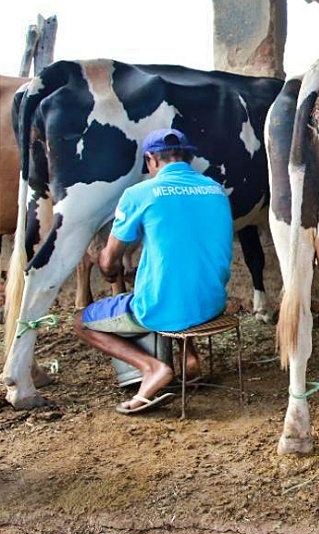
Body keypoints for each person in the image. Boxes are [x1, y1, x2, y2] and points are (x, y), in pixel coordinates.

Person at [74, 129, 234, 414]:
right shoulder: (215, 189)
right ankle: (190, 358)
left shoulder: (139, 193)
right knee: (183, 277)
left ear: (151, 160)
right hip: (213, 304)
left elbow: (110, 260)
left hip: (161, 308)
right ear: (188, 157)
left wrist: (107, 269)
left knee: (81, 322)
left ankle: (153, 368)